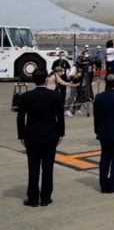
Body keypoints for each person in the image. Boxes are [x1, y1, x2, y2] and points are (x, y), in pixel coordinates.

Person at [17, 68, 64, 207]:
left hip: (32, 136)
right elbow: (60, 117)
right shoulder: (55, 96)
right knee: (48, 169)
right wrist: (61, 133)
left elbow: (20, 118)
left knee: (33, 169)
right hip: (50, 135)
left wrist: (21, 136)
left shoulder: (25, 96)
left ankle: (32, 199)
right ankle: (45, 198)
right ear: (46, 80)